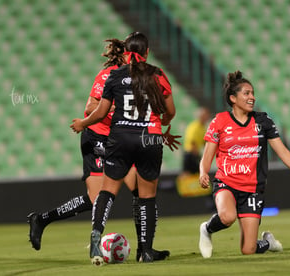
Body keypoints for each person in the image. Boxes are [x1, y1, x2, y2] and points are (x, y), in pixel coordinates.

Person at [27, 38, 174, 261]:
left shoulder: (142, 76)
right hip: (98, 136)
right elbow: (90, 107)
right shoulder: (110, 75)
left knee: (138, 190)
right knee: (99, 197)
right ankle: (43, 219)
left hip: (122, 138)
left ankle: (144, 249)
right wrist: (123, 106)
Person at [70, 31, 176, 265]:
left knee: (107, 191)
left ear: (126, 54)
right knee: (147, 196)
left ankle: (97, 237)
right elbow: (170, 111)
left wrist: (82, 124)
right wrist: (164, 122)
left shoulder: (115, 76)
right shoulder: (158, 75)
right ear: (147, 52)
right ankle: (146, 251)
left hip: (120, 138)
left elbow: (100, 112)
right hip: (150, 138)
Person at [198, 70, 290, 257]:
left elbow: (283, 152)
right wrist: (203, 172)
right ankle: (207, 229)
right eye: (246, 93)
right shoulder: (220, 121)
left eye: (253, 93)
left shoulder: (263, 121)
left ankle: (267, 242)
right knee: (227, 216)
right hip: (227, 182)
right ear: (233, 98)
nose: (252, 97)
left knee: (248, 250)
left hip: (252, 188)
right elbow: (207, 155)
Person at [181, 106, 211, 175]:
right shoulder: (194, 126)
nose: (207, 117)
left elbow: (204, 141)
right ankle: (183, 185)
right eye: (206, 115)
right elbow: (192, 141)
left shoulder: (203, 127)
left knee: (197, 173)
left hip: (196, 154)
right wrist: (196, 154)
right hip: (190, 153)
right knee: (188, 173)